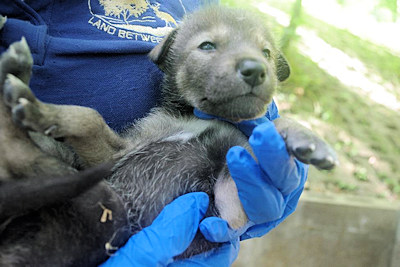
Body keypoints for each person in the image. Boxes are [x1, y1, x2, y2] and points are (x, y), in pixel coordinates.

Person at [0, 0, 308, 266]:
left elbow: (238, 200)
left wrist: (281, 150)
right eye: (209, 45)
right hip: (48, 199)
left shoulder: (205, 10)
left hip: (112, 211)